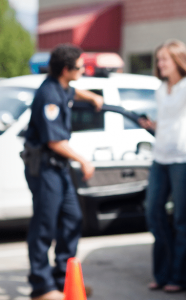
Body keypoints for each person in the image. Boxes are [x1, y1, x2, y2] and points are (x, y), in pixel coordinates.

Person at [23, 44, 103, 300]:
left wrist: (90, 96)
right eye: (80, 67)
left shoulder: (63, 87)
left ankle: (65, 280)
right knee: (44, 226)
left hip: (59, 169)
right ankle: (42, 287)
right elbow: (54, 142)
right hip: (45, 168)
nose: (83, 70)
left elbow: (72, 93)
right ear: (67, 69)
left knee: (72, 219)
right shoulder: (49, 95)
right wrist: (84, 161)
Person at [139, 39, 186, 293]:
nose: (160, 64)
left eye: (165, 59)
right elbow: (168, 120)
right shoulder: (161, 88)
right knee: (154, 213)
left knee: (182, 218)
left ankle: (180, 277)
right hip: (160, 157)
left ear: (178, 61)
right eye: (158, 59)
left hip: (183, 159)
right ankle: (162, 274)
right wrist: (153, 126)